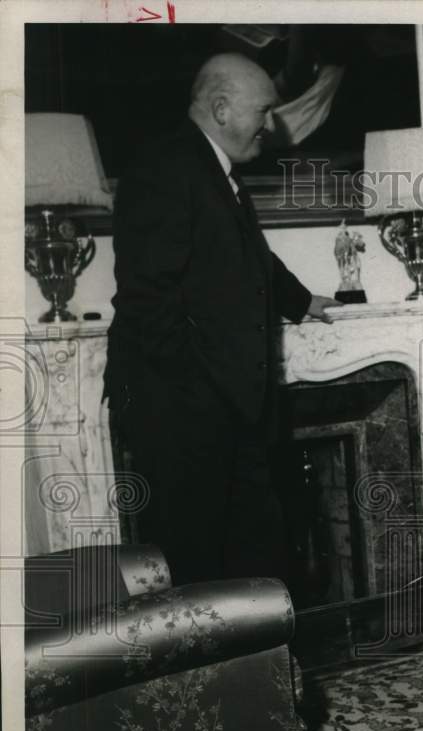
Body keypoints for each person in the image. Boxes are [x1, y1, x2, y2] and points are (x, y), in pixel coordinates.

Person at [104, 53, 340, 585]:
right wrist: (200, 397)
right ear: (221, 108)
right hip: (183, 410)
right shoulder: (164, 167)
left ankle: (261, 668)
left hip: (230, 405)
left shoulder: (213, 171)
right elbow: (148, 301)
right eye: (264, 110)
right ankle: (209, 672)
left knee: (254, 549)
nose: (270, 124)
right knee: (196, 564)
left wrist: (304, 302)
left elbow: (250, 258)